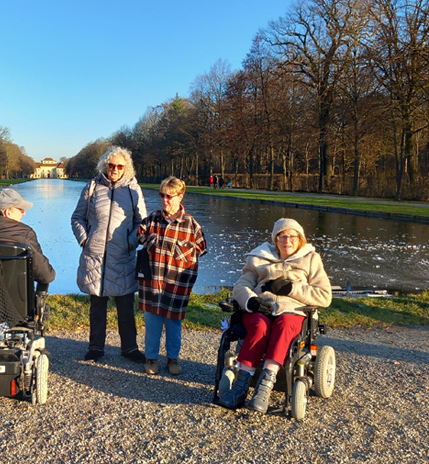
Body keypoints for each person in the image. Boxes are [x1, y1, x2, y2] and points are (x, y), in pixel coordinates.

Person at [218, 218, 332, 413]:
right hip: (261, 307)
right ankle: (240, 387)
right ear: (275, 239)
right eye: (282, 236)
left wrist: (291, 288)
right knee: (259, 326)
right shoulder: (259, 258)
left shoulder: (311, 259)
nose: (287, 240)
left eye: (292, 236)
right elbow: (241, 285)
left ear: (300, 239)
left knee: (286, 324)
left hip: (292, 310)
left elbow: (324, 295)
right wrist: (251, 300)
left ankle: (264, 387)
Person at [70, 146, 147, 363]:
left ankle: (129, 348)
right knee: (97, 305)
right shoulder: (92, 187)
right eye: (111, 165)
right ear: (104, 165)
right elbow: (77, 217)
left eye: (119, 166)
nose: (114, 169)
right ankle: (95, 347)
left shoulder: (133, 190)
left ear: (126, 168)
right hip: (95, 255)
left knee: (125, 306)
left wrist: (131, 243)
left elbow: (142, 222)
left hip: (122, 254)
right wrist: (85, 239)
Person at [137, 176, 206, 375]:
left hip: (177, 284)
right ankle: (151, 358)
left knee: (174, 324)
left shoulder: (191, 224)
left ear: (180, 196)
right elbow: (139, 233)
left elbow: (201, 247)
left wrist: (182, 251)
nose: (165, 200)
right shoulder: (151, 219)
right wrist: (150, 241)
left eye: (169, 196)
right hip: (153, 281)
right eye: (162, 195)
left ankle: (173, 359)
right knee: (152, 323)